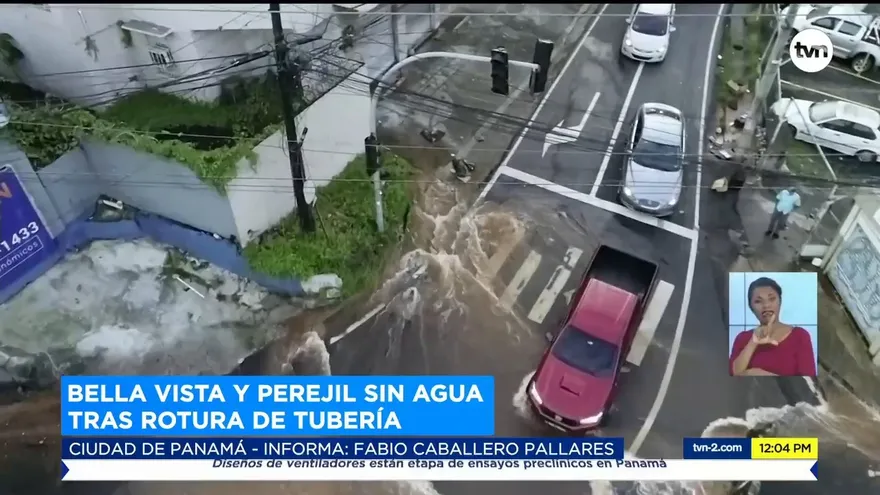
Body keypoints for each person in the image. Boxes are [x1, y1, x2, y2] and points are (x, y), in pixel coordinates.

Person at [729, 277, 816, 377]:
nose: (766, 305)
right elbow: (733, 374)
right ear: (751, 307)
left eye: (772, 299)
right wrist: (752, 342)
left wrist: (760, 376)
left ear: (780, 302)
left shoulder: (800, 335)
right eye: (758, 301)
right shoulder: (742, 338)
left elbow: (808, 383)